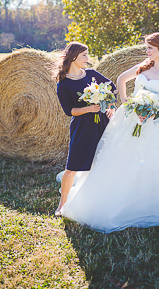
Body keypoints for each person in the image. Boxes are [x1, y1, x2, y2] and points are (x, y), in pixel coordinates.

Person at [59, 32, 159, 232]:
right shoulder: (143, 66)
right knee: (115, 158)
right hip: (127, 119)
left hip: (150, 125)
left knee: (151, 162)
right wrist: (127, 102)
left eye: (150, 48)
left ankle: (143, 203)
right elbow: (121, 79)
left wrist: (150, 113)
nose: (146, 51)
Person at [54, 42, 116, 216]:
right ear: (74, 57)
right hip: (82, 128)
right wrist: (88, 109)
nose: (87, 59)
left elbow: (111, 88)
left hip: (102, 124)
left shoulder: (91, 74)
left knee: (102, 164)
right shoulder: (63, 84)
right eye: (84, 55)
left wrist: (109, 104)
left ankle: (100, 202)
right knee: (72, 168)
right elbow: (69, 111)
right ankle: (62, 204)